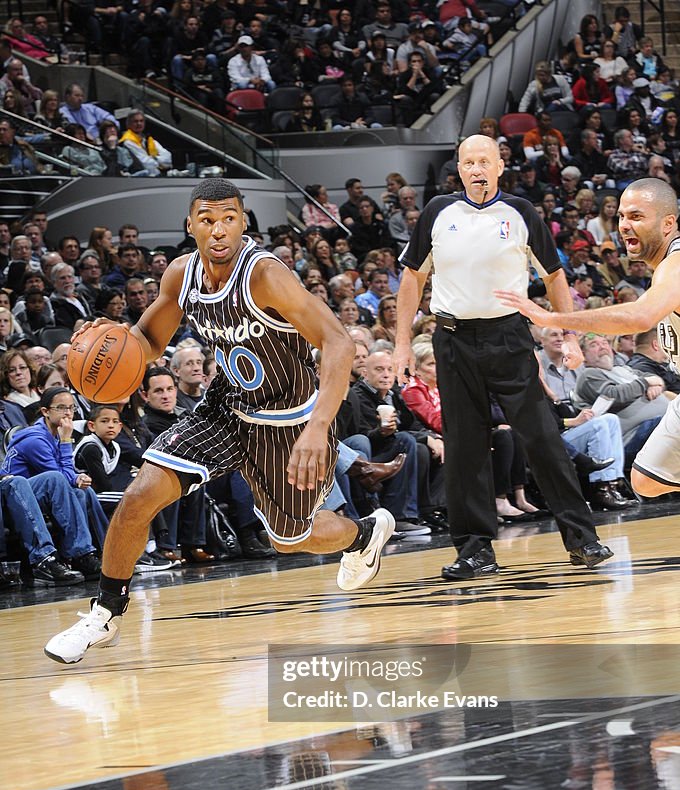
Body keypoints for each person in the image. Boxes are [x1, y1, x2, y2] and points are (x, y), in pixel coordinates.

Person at [44, 180, 396, 664]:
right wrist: (104, 342)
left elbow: (337, 341)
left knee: (289, 540)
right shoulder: (180, 275)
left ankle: (364, 533)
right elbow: (146, 341)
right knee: (138, 496)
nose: (218, 230)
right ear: (190, 226)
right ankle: (104, 614)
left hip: (288, 421)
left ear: (243, 221)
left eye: (228, 218)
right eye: (206, 220)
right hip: (226, 406)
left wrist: (318, 428)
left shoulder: (265, 276)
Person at [394, 134, 612, 580]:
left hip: (509, 337)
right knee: (465, 448)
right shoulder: (438, 212)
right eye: (468, 162)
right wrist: (401, 342)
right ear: (458, 168)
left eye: (484, 162)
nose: (476, 169)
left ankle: (583, 538)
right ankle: (475, 549)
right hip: (452, 340)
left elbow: (554, 277)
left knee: (543, 438)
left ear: (499, 166)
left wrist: (565, 333)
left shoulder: (521, 212)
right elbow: (413, 279)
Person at [494, 177, 680, 499]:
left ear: (667, 224)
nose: (624, 225)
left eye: (636, 216)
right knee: (646, 480)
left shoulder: (675, 264)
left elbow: (639, 317)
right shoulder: (664, 267)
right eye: (621, 216)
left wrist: (553, 318)